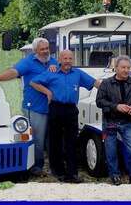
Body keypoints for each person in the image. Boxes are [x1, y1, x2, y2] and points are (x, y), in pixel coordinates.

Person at [0, 37, 58, 176]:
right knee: (37, 138)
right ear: (35, 50)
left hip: (52, 107)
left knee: (52, 138)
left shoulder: (54, 62)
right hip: (34, 107)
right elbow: (13, 72)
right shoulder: (28, 62)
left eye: (47, 48)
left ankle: (54, 166)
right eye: (42, 49)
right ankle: (36, 167)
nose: (45, 51)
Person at [31, 50, 101, 183]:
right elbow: (33, 82)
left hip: (71, 110)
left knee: (71, 142)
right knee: (55, 141)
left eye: (70, 58)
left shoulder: (78, 74)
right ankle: (58, 171)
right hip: (56, 108)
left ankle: (72, 173)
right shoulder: (52, 72)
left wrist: (110, 87)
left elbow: (95, 83)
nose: (68, 61)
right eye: (65, 58)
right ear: (60, 59)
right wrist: (47, 92)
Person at [96, 55, 131, 185]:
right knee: (111, 151)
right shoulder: (106, 83)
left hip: (127, 122)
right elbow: (99, 102)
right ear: (116, 68)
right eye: (123, 67)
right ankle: (114, 175)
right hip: (110, 122)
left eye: (128, 68)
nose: (126, 70)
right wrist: (116, 106)